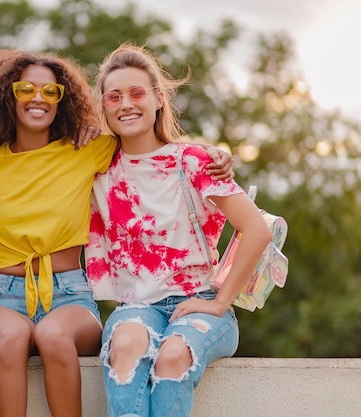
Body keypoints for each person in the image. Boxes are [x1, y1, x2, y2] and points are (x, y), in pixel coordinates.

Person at [0, 49, 234, 417]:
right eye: (26, 89)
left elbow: (150, 142)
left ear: (63, 101)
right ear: (7, 95)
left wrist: (210, 152)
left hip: (69, 294)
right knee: (11, 338)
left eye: (51, 92)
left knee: (52, 335)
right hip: (2, 294)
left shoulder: (86, 150)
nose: (38, 98)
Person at [85, 43, 273, 417]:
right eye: (114, 96)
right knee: (124, 349)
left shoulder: (194, 161)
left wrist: (219, 303)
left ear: (158, 99)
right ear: (102, 105)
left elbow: (257, 230)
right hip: (136, 305)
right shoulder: (95, 167)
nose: (126, 104)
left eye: (137, 93)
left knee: (174, 355)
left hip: (199, 303)